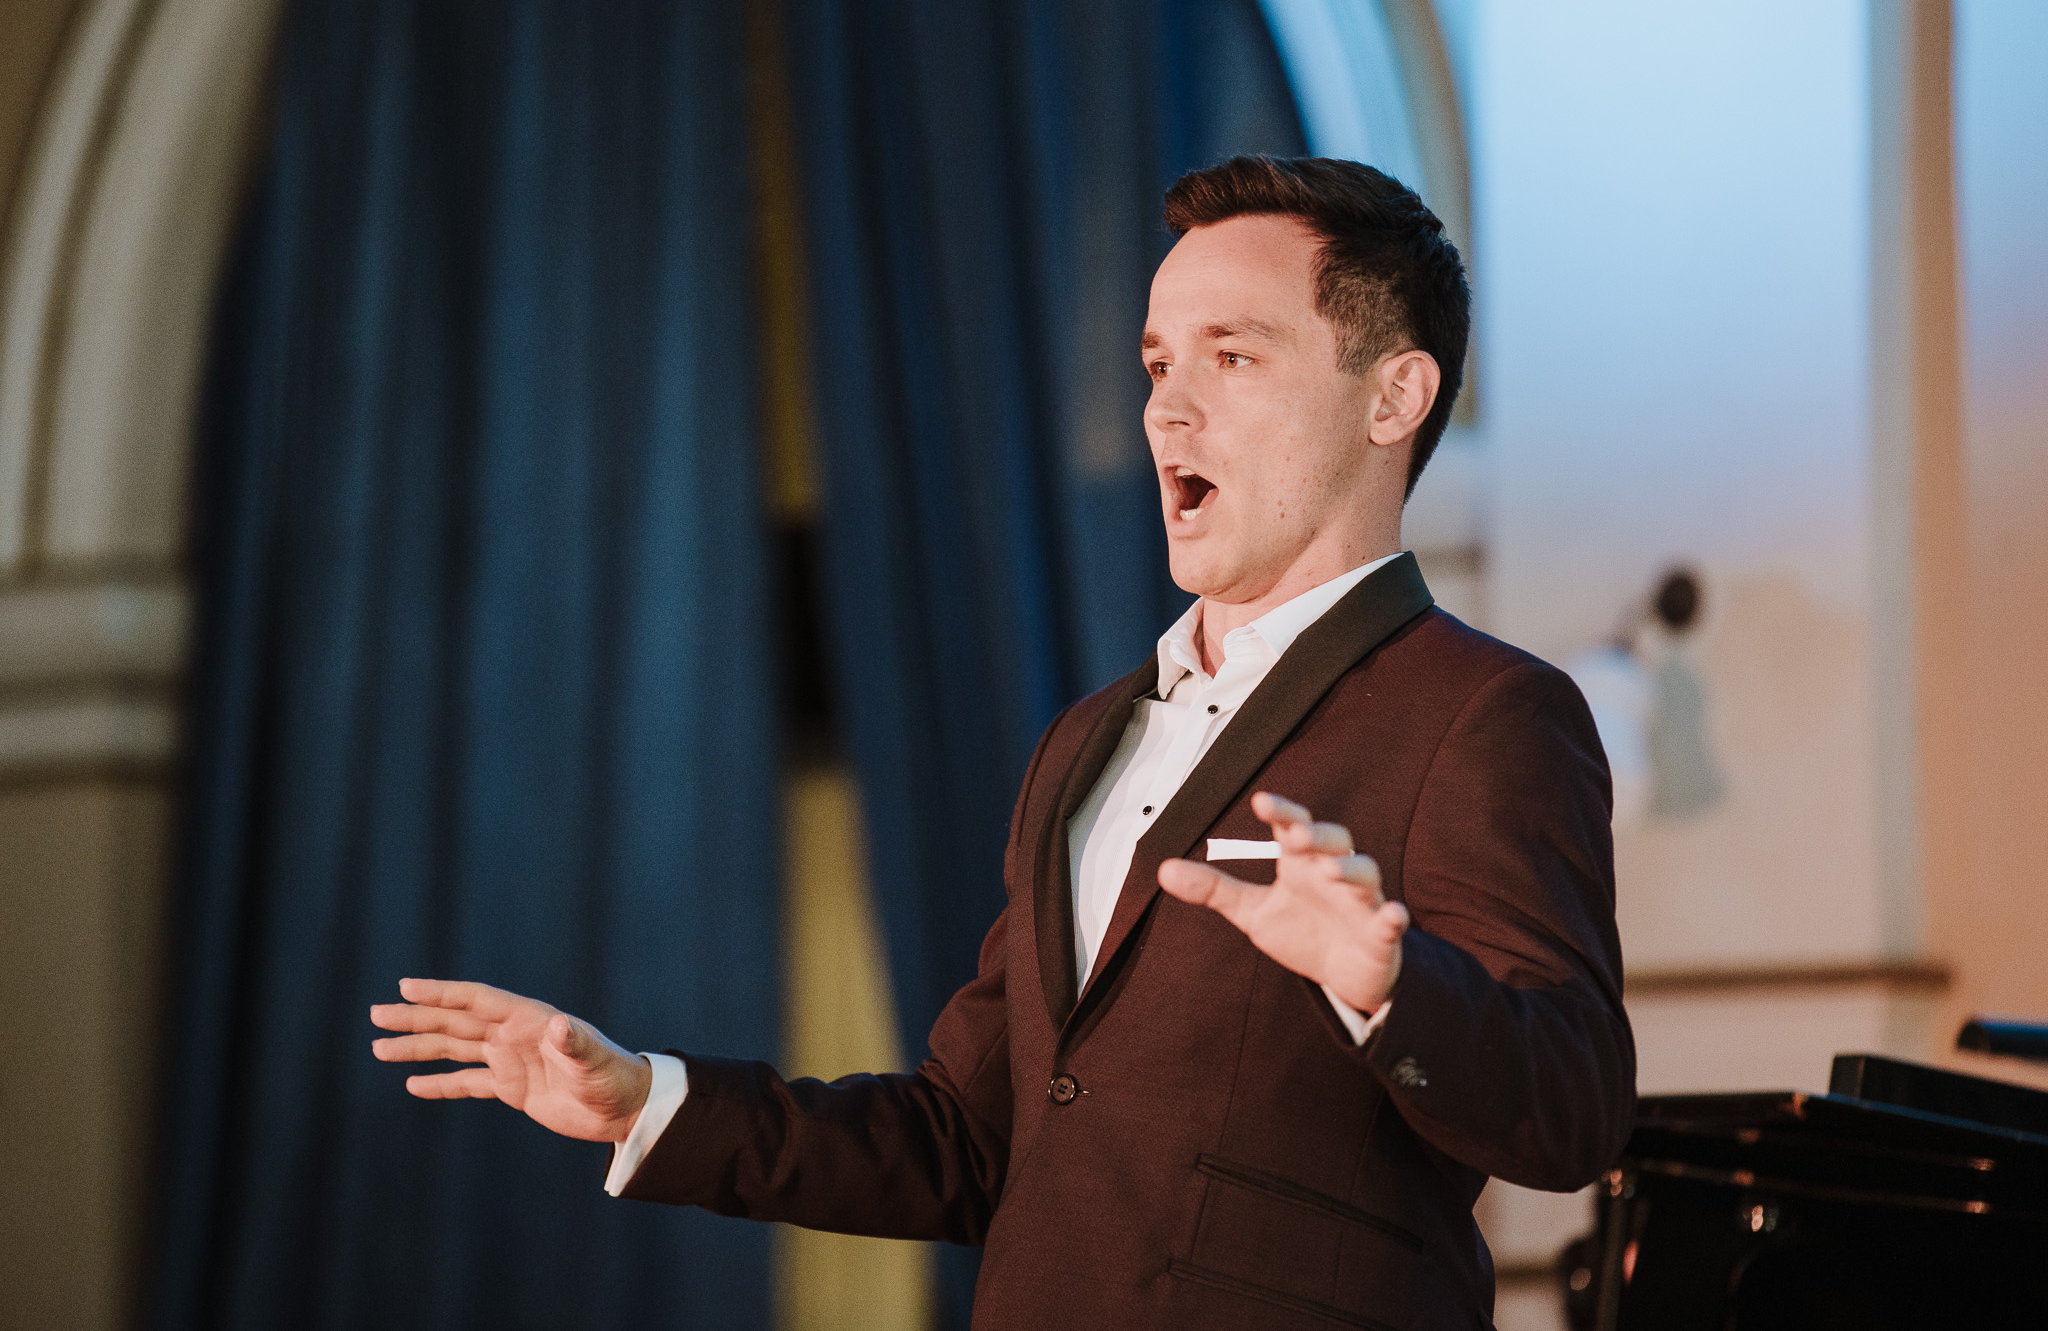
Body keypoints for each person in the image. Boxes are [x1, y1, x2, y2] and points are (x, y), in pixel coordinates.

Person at [371, 155, 1634, 1329]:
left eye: (1232, 357)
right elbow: (964, 1142)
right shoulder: (1084, 741)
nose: (1167, 409)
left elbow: (1571, 1109)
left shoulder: (1481, 713)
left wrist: (1385, 983)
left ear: (1392, 397)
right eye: (1154, 364)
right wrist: (645, 1099)